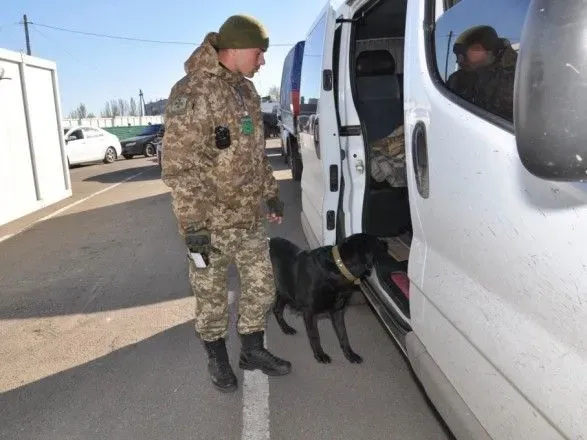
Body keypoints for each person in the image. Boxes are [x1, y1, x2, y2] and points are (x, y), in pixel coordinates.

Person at [161, 14, 291, 393]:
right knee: (211, 297)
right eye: (258, 52)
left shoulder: (246, 92)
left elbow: (254, 154)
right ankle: (216, 356)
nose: (262, 61)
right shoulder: (192, 91)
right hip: (209, 225)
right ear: (234, 50)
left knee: (263, 288)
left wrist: (270, 192)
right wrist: (193, 226)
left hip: (247, 218)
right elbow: (181, 167)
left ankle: (252, 350)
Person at [447, 25, 518, 122]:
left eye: (464, 54)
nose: (459, 61)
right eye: (458, 55)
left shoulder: (518, 77)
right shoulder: (456, 80)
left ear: (489, 51)